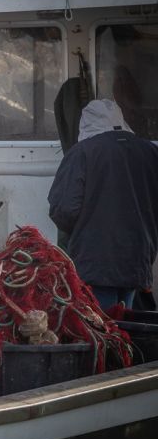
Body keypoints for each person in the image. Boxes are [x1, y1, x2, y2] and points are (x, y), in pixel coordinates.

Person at [48, 99, 158, 310]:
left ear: (87, 125)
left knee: (101, 329)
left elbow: (64, 210)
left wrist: (81, 232)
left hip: (95, 262)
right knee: (125, 326)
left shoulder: (82, 152)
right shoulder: (151, 152)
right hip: (138, 259)